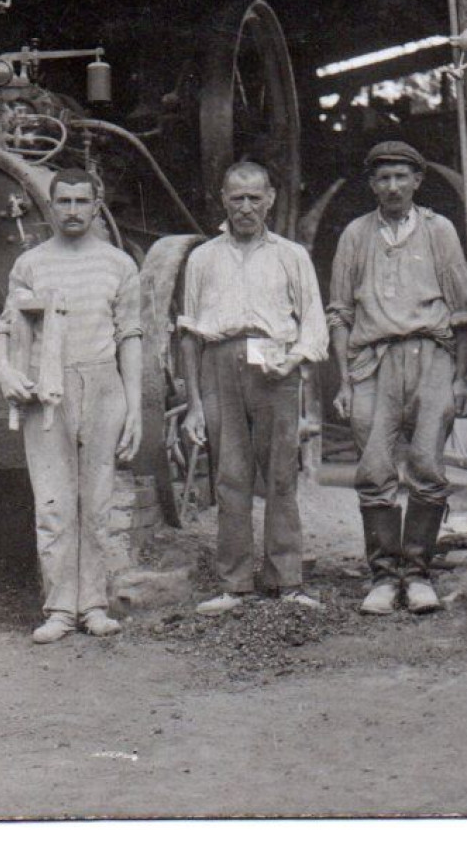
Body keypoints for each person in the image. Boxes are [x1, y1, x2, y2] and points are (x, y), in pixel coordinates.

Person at [0, 169, 142, 644]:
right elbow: (7, 325)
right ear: (51, 206)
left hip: (101, 383)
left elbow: (131, 337)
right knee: (54, 501)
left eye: (83, 201)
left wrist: (133, 407)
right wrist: (5, 369)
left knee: (95, 502)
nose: (74, 210)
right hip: (46, 390)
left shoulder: (118, 264)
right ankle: (59, 608)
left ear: (97, 206)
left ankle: (94, 604)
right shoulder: (30, 263)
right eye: (65, 202)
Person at [326, 141, 467, 616]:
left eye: (401, 176)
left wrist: (461, 378)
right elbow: (340, 313)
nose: (392, 186)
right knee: (374, 471)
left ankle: (418, 574)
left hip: (432, 355)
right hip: (372, 359)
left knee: (428, 468)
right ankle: (384, 578)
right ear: (372, 184)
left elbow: (463, 309)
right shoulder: (355, 234)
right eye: (383, 178)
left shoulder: (439, 231)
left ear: (417, 180)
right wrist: (346, 381)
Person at [180, 159, 328, 614]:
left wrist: (296, 362)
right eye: (237, 198)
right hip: (220, 362)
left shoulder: (291, 255)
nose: (246, 207)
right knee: (229, 476)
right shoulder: (203, 257)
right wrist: (192, 404)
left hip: (274, 364)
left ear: (270, 199)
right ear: (223, 200)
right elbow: (189, 331)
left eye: (254, 197)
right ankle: (233, 584)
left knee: (281, 474)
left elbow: (313, 321)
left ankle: (287, 581)